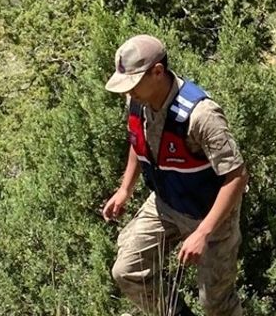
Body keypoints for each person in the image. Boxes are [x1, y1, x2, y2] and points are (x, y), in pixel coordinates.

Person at [102, 35, 250, 316]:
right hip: (166, 205)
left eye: (133, 83)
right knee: (127, 270)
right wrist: (125, 189)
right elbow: (138, 141)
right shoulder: (137, 101)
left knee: (216, 304)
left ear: (157, 72)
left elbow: (237, 176)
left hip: (210, 217)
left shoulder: (201, 115)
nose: (127, 92)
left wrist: (202, 232)